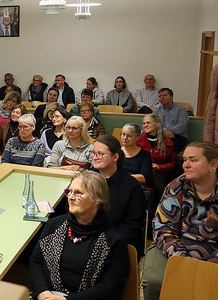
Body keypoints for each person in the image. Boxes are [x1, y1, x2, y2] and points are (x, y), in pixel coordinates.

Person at [30, 171, 129, 300]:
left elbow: (110, 287)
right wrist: (43, 292)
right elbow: (36, 261)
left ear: (97, 200)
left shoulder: (113, 239)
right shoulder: (54, 225)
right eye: (69, 191)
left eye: (78, 193)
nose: (70, 197)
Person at [142, 142, 218, 300]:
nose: (186, 165)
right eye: (184, 160)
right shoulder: (176, 187)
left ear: (213, 164)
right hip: (175, 246)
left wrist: (210, 263)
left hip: (213, 250)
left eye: (193, 160)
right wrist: (181, 257)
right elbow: (162, 228)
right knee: (155, 280)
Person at [91, 135, 146, 254]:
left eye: (100, 154)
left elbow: (132, 226)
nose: (95, 157)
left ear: (115, 156)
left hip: (117, 245)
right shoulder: (86, 179)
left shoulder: (132, 186)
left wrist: (104, 242)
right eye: (93, 153)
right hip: (88, 238)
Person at [137, 113, 176, 207]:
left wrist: (159, 167)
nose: (145, 125)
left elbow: (172, 163)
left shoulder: (167, 143)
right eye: (144, 123)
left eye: (148, 123)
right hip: (141, 172)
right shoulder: (138, 140)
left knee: (155, 176)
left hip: (158, 174)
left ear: (157, 124)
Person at [154, 87, 189, 153]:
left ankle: (169, 163)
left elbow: (182, 125)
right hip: (161, 135)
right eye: (160, 96)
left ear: (171, 97)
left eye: (165, 95)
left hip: (178, 137)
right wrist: (165, 131)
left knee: (166, 147)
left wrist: (170, 132)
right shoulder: (157, 110)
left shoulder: (181, 109)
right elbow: (154, 123)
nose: (162, 97)